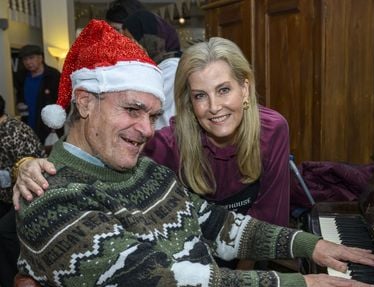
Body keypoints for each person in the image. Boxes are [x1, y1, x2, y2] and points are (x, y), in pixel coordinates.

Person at [16, 20, 374, 287]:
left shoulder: (146, 171)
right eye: (132, 110)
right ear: (83, 102)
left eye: (153, 115)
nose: (145, 129)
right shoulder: (50, 199)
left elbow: (216, 224)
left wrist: (310, 245)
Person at [15, 38, 291, 229]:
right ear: (189, 103)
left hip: (253, 250)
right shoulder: (169, 143)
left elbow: (271, 216)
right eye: (200, 96)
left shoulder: (271, 129)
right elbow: (98, 152)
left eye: (223, 90)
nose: (214, 107)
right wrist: (29, 164)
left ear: (244, 89)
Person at [0, 94, 46, 287]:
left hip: (32, 193)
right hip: (5, 196)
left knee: (5, 230)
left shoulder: (15, 132)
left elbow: (30, 172)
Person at [122, 9, 181, 129]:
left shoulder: (171, 68)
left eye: (130, 41)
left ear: (147, 39)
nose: (126, 47)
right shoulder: (158, 66)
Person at [13, 44, 61, 144]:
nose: (28, 62)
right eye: (25, 59)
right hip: (27, 126)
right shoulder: (21, 76)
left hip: (49, 128)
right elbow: (19, 96)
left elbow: (63, 101)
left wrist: (56, 124)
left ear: (40, 58)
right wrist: (19, 103)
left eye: (31, 58)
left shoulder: (53, 75)